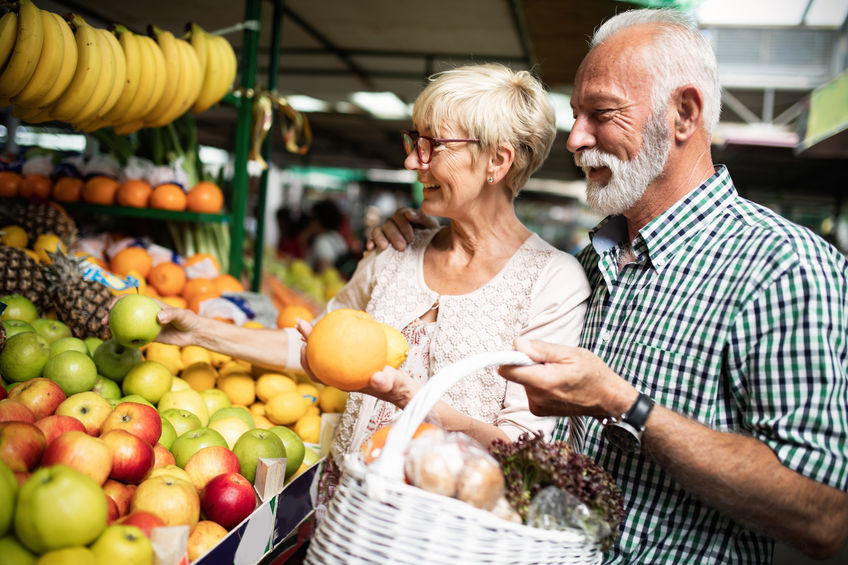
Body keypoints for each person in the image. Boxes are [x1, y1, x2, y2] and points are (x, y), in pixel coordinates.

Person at [370, 9, 848, 564]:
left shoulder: (782, 265)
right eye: (575, 116)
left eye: (600, 114)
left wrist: (627, 406)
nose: (574, 140)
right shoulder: (590, 265)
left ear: (684, 114)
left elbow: (824, 515)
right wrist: (420, 237)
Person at [153, 63, 590, 497]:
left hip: (446, 536)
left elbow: (523, 449)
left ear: (497, 160)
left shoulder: (552, 282)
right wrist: (198, 331)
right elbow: (312, 348)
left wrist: (409, 397)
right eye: (414, 141)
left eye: (432, 145)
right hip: (346, 514)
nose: (410, 160)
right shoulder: (396, 251)